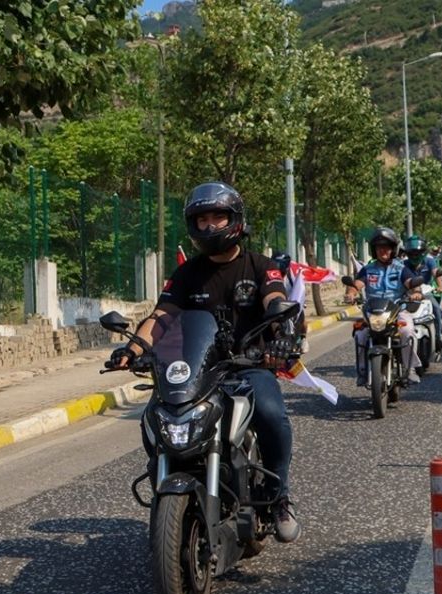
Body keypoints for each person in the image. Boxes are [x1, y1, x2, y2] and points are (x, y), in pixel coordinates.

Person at [109, 182, 301, 543]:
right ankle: (166, 482)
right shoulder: (187, 273)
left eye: (218, 217)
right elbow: (163, 316)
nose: (210, 225)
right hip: (197, 371)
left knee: (273, 415)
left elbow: (275, 299)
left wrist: (282, 332)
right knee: (155, 418)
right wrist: (134, 349)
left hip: (249, 365)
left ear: (236, 220)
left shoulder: (260, 265)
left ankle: (280, 497)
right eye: (202, 219)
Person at [349, 227, 423, 387]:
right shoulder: (367, 269)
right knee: (360, 335)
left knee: (407, 331)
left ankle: (410, 369)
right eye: (379, 247)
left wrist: (416, 292)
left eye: (386, 247)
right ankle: (362, 371)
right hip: (373, 312)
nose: (383, 250)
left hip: (397, 310)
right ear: (374, 250)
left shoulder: (401, 268)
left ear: (393, 249)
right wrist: (351, 293)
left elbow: (410, 283)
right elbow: (357, 285)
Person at [402, 234, 442, 346]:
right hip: (409, 294)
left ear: (423, 252)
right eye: (412, 253)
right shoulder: (403, 264)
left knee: (436, 309)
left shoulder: (430, 261)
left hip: (426, 292)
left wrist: (440, 286)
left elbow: (436, 273)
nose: (415, 256)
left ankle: (438, 335)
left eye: (417, 253)